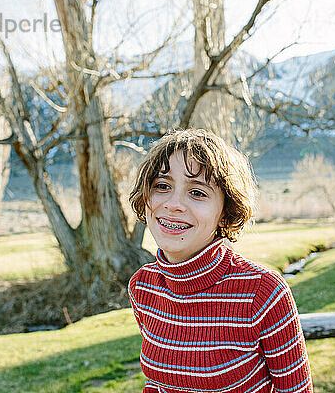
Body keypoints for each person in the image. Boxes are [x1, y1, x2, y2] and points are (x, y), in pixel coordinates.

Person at [128, 129, 313, 393]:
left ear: (225, 213)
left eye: (198, 193)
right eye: (162, 186)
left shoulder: (264, 292)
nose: (173, 204)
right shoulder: (142, 287)